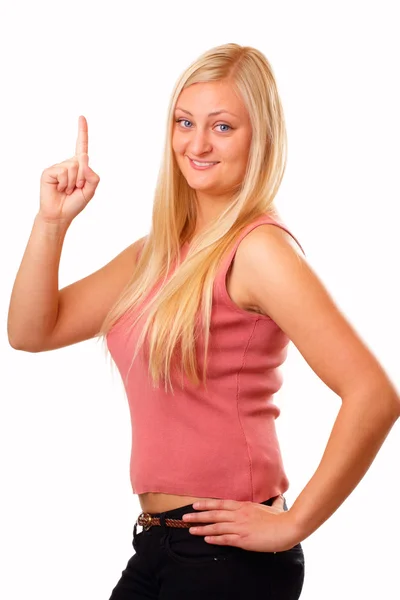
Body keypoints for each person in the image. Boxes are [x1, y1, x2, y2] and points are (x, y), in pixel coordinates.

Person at [7, 42, 400, 600]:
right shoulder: (155, 255)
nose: (196, 143)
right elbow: (30, 332)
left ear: (258, 137)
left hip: (228, 556)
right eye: (185, 122)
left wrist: (294, 523)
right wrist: (51, 223)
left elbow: (374, 394)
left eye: (222, 127)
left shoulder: (259, 250)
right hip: (158, 544)